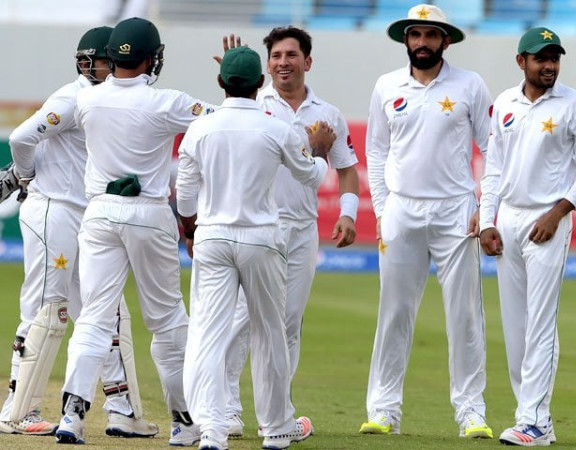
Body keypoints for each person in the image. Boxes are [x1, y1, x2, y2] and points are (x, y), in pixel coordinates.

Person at [54, 17, 217, 446]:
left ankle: (71, 417)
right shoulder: (166, 101)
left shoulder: (87, 100)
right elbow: (221, 121)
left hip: (100, 213)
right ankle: (183, 422)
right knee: (167, 321)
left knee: (94, 317)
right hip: (148, 212)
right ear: (150, 59)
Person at [0, 26, 157, 439]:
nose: (113, 68)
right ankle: (18, 410)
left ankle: (122, 411)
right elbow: (22, 136)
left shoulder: (107, 100)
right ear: (89, 62)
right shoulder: (71, 98)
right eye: (107, 61)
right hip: (54, 212)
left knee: (107, 312)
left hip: (84, 218)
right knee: (46, 310)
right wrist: (24, 175)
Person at [177, 45, 334, 450]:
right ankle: (277, 430)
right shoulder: (276, 128)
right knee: (270, 334)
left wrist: (191, 231)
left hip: (213, 236)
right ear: (261, 82)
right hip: (261, 239)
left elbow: (186, 196)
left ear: (220, 83)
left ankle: (211, 431)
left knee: (206, 334)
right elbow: (311, 177)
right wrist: (319, 152)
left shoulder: (200, 128)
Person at [360, 3, 494, 439]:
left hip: (456, 210)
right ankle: (384, 410)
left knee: (465, 315)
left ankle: (471, 411)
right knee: (394, 312)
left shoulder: (470, 84)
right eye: (415, 35)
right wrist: (382, 210)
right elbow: (376, 151)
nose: (422, 42)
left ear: (445, 41)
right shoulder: (386, 85)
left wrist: (485, 206)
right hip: (401, 210)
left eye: (431, 35)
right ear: (406, 39)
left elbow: (492, 149)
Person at [222, 26, 360, 437]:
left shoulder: (327, 114)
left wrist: (348, 214)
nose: (283, 63)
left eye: (291, 55)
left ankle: (278, 414)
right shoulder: (252, 103)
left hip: (301, 230)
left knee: (287, 324)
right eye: (276, 56)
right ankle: (228, 409)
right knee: (241, 320)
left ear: (307, 61)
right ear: (266, 66)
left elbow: (347, 170)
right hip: (257, 226)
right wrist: (231, 77)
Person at [479, 27, 576, 447]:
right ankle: (535, 421)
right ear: (521, 62)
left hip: (549, 219)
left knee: (541, 323)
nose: (549, 66)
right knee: (515, 327)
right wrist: (487, 220)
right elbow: (493, 167)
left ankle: (531, 418)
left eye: (554, 58)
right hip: (509, 218)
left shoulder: (575, 103)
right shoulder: (504, 103)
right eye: (540, 58)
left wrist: (559, 211)